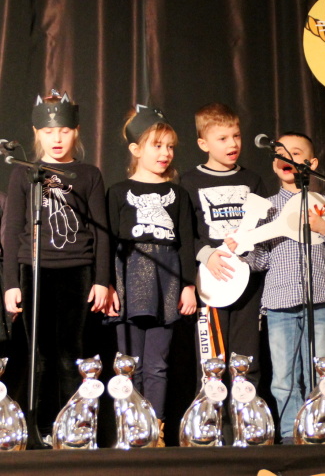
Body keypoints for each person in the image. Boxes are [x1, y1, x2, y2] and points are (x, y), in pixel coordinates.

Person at [226, 131, 325, 445]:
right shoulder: (267, 207)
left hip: (318, 300)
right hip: (279, 302)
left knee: (320, 373)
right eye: (280, 152)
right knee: (283, 378)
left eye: (295, 153)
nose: (285, 157)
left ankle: (318, 434)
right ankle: (290, 438)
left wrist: (324, 227)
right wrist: (242, 247)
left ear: (312, 163)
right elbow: (260, 261)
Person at [3, 90, 110, 442]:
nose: (57, 138)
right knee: (39, 356)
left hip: (76, 271)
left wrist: (102, 279)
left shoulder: (88, 174)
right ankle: (38, 430)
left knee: (70, 354)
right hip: (34, 271)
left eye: (64, 131)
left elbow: (101, 231)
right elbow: (13, 229)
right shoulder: (24, 174)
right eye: (49, 132)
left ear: (75, 131)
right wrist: (10, 283)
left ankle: (72, 428)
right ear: (38, 134)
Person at [106, 105, 197, 446]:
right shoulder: (118, 191)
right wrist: (109, 285)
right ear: (135, 149)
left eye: (170, 146)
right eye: (157, 145)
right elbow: (109, 242)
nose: (165, 153)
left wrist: (188, 286)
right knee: (130, 363)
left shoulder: (179, 194)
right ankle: (131, 429)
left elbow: (186, 243)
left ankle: (154, 430)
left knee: (157, 364)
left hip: (166, 281)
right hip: (128, 281)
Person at [180, 103, 268, 385]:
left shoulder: (252, 180)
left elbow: (264, 229)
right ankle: (212, 414)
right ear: (203, 144)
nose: (233, 144)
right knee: (212, 363)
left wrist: (249, 250)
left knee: (246, 361)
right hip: (211, 282)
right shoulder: (188, 182)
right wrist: (205, 254)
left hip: (248, 283)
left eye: (237, 136)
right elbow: (183, 233)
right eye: (223, 138)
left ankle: (245, 413)